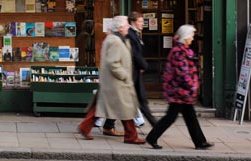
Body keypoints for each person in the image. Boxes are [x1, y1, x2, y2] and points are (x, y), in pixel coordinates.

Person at [78, 16, 145, 144]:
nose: (128, 27)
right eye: (126, 25)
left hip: (113, 82)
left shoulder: (117, 38)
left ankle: (84, 128)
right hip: (116, 82)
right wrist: (124, 75)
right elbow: (112, 62)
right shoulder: (115, 40)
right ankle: (131, 136)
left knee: (104, 108)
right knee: (126, 110)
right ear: (120, 27)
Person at [146, 25, 213, 150]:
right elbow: (182, 73)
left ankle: (200, 142)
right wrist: (192, 86)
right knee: (170, 117)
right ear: (186, 37)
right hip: (179, 92)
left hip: (182, 91)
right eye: (191, 36)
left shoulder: (184, 50)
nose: (193, 38)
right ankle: (152, 137)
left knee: (190, 117)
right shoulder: (179, 52)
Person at [127, 11, 157, 127]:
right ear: (133, 22)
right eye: (140, 21)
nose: (142, 24)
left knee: (140, 98)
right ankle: (154, 123)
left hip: (135, 71)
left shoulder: (134, 34)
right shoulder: (130, 34)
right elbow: (134, 54)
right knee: (140, 98)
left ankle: (154, 123)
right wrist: (143, 65)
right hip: (132, 71)